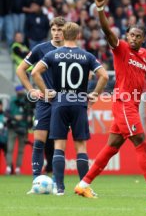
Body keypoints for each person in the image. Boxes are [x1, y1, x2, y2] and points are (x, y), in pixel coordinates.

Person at [74, 0, 146, 200]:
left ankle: (83, 184)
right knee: (140, 141)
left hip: (132, 103)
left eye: (138, 36)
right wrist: (101, 10)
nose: (134, 38)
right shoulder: (120, 48)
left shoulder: (145, 55)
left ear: (144, 39)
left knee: (112, 147)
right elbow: (106, 31)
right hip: (124, 102)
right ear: (127, 36)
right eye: (131, 35)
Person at [31, 22, 108, 195]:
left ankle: (59, 188)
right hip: (79, 102)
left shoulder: (53, 54)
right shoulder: (86, 56)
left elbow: (35, 72)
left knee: (59, 145)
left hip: (59, 102)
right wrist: (94, 94)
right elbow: (103, 75)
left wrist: (45, 92)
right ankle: (83, 187)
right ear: (79, 36)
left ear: (64, 35)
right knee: (80, 146)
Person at [16, 16, 66, 193]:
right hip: (44, 102)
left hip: (63, 102)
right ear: (50, 31)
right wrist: (31, 90)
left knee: (58, 143)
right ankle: (36, 181)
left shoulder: (72, 51)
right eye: (54, 30)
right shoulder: (41, 49)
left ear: (66, 30)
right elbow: (21, 69)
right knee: (39, 141)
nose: (57, 33)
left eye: (60, 30)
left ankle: (58, 185)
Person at [5, 85, 32, 175]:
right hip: (12, 127)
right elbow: (7, 113)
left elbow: (29, 114)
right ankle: (9, 167)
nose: (21, 92)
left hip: (23, 128)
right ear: (16, 91)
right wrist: (15, 118)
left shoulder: (26, 100)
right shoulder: (12, 100)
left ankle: (17, 168)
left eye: (22, 90)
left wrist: (26, 118)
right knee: (10, 148)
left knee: (21, 149)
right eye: (19, 90)